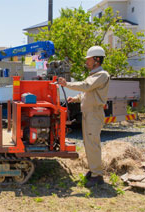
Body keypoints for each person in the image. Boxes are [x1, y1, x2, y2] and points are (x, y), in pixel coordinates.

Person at [58, 46, 110, 188]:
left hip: (94, 114)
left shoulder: (102, 75)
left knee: (92, 144)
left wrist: (67, 84)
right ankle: (93, 170)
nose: (86, 62)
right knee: (89, 144)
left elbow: (86, 86)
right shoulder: (94, 76)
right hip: (89, 114)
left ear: (97, 60)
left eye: (89, 59)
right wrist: (75, 99)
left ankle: (97, 175)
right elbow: (87, 93)